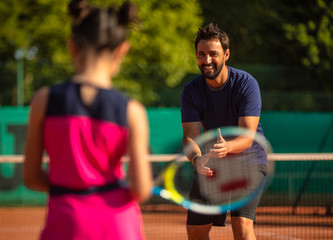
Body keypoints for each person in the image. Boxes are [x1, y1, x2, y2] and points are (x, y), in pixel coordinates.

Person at [23, 1, 152, 239]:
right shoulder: (133, 111)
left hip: (64, 224)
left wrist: (71, 189)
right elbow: (141, 190)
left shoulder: (42, 100)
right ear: (122, 49)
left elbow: (31, 177)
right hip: (118, 227)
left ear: (72, 45)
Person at [181, 23, 267, 240]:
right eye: (202, 54)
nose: (207, 60)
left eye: (213, 54)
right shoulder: (191, 91)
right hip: (213, 165)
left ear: (226, 54)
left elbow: (248, 136)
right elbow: (190, 136)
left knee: (242, 226)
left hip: (248, 161)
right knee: (195, 232)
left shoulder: (246, 84)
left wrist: (228, 146)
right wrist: (197, 159)